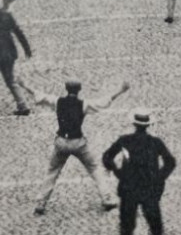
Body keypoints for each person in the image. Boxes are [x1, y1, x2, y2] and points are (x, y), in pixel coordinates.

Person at [32, 78, 129, 215]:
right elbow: (102, 102)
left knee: (52, 171)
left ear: (66, 89)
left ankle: (41, 202)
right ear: (79, 90)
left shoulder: (57, 101)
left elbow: (41, 96)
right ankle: (107, 198)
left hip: (60, 142)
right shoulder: (83, 104)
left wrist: (24, 85)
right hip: (78, 143)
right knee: (94, 168)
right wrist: (120, 90)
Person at [102, 110, 177, 235]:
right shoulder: (155, 142)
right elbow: (170, 162)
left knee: (127, 228)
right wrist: (159, 177)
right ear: (148, 125)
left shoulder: (124, 140)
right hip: (149, 190)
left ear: (134, 124)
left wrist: (117, 171)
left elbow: (107, 157)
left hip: (129, 189)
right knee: (156, 228)